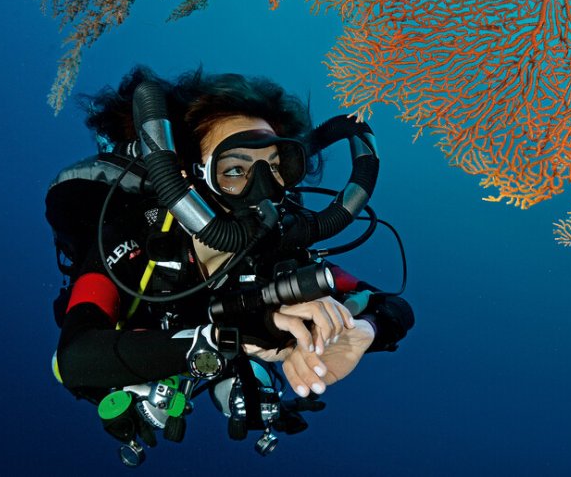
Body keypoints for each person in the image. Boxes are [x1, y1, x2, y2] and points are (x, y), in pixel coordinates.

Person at [50, 66, 413, 451]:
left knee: (248, 384)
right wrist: (227, 343)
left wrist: (361, 331)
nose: (263, 190)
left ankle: (240, 380)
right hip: (149, 339)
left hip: (216, 342)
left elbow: (392, 307)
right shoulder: (134, 237)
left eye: (275, 167)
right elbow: (73, 358)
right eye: (235, 169)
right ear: (187, 180)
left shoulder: (283, 248)